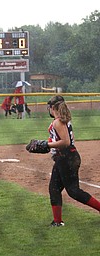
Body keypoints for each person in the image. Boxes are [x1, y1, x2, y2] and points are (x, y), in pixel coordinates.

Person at [45, 95, 100, 226]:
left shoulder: (58, 121)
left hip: (66, 158)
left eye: (49, 108)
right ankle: (57, 222)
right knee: (54, 188)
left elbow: (66, 142)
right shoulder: (64, 120)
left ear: (53, 107)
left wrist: (46, 145)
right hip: (64, 158)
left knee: (73, 191)